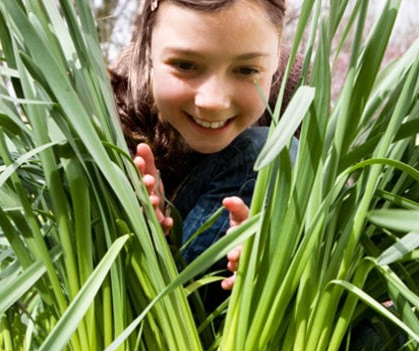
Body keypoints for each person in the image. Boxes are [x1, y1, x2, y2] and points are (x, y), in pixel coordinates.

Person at [109, 0, 301, 292]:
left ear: (275, 58)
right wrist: (137, 231)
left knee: (275, 151)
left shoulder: (298, 95)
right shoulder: (111, 107)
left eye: (246, 70)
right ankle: (170, 307)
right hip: (143, 289)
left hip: (240, 300)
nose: (212, 101)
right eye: (185, 65)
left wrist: (282, 252)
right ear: (148, 47)